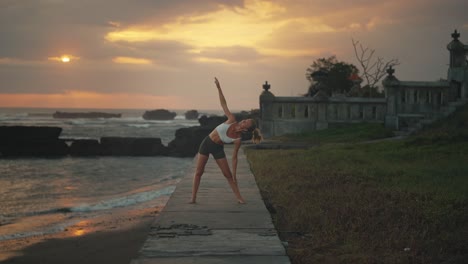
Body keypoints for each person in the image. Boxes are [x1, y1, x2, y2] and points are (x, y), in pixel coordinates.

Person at [190, 77, 262, 204]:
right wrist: (219, 88)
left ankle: (239, 198)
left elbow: (234, 158)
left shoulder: (238, 139)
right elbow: (223, 104)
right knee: (199, 172)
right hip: (206, 143)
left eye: (246, 122)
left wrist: (234, 174)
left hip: (217, 149)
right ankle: (193, 198)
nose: (243, 121)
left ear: (246, 129)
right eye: (245, 120)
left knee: (228, 175)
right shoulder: (231, 119)